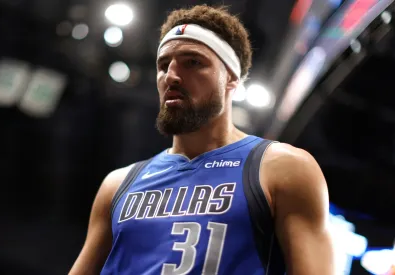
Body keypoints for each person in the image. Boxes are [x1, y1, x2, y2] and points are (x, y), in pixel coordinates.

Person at [69, 4, 334, 275]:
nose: (171, 76)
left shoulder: (282, 169)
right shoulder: (117, 185)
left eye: (193, 62)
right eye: (163, 65)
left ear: (231, 78)